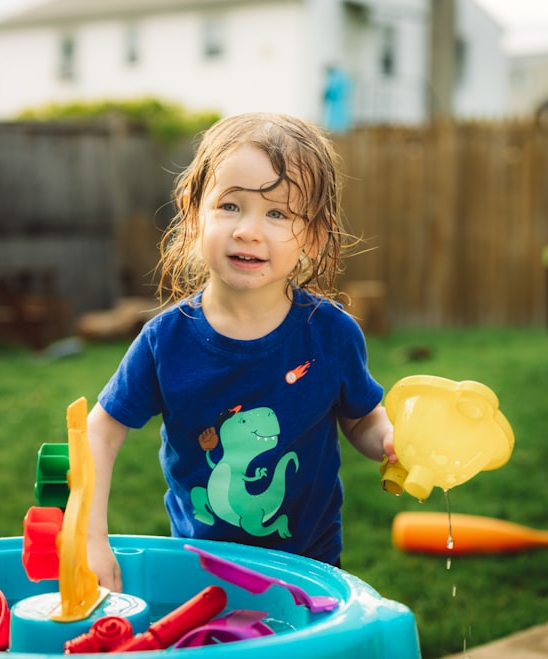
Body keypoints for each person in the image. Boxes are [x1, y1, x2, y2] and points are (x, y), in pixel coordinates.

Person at [86, 112, 396, 592]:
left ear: (313, 235)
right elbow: (100, 435)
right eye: (231, 206)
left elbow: (361, 419)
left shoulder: (331, 335)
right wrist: (91, 537)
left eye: (278, 214)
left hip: (309, 573)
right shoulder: (165, 341)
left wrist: (390, 443)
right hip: (198, 573)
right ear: (194, 215)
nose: (249, 230)